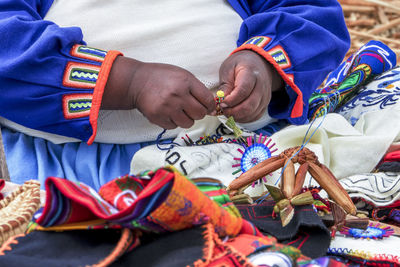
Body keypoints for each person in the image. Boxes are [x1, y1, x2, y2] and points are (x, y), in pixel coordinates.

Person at [0, 0, 350, 190]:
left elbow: (312, 12)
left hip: (249, 154)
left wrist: (263, 66)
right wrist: (128, 81)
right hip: (77, 166)